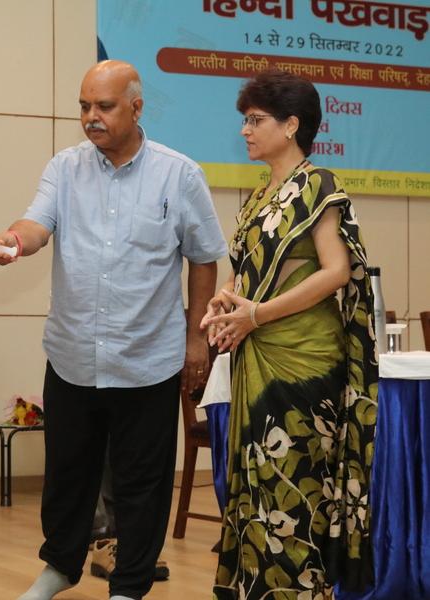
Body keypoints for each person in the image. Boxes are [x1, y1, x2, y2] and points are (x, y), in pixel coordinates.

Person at [0, 60, 227, 600]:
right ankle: (59, 569)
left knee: (143, 482)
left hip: (148, 357)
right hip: (73, 355)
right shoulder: (65, 168)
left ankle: (129, 586)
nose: (91, 117)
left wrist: (196, 340)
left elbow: (204, 257)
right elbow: (36, 223)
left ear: (136, 108)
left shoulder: (179, 174)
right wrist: (13, 242)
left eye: (104, 107)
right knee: (67, 477)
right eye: (84, 106)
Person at [202, 69, 378, 599]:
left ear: (291, 125)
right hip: (258, 355)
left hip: (304, 364)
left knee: (295, 490)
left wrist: (256, 315)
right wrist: (225, 299)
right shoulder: (260, 195)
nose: (245, 130)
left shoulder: (319, 184)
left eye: (256, 120)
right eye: (245, 120)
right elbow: (243, 271)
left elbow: (335, 272)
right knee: (257, 496)